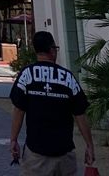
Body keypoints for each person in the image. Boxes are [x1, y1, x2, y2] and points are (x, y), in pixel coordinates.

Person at [10, 30, 95, 174]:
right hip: (64, 154)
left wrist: (13, 139)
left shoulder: (27, 75)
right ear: (51, 50)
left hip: (36, 155)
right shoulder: (68, 78)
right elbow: (80, 115)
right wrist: (89, 145)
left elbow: (19, 110)